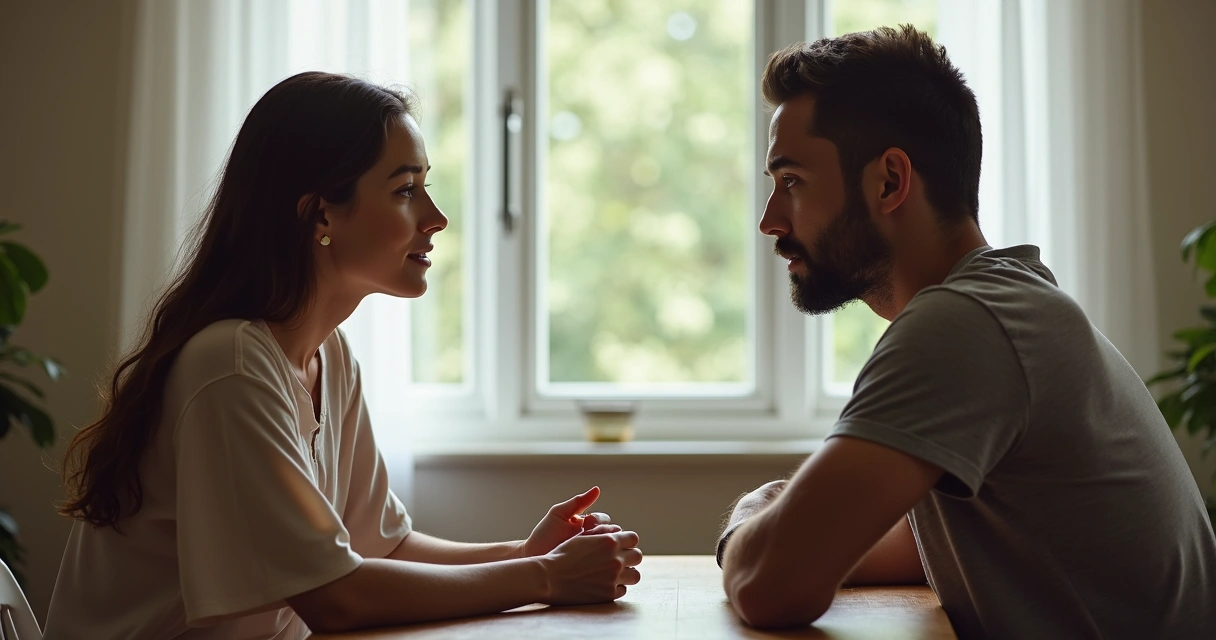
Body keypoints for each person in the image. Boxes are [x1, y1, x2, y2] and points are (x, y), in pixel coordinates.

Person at [45, 72, 642, 639]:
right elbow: (335, 597)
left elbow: (382, 545)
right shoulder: (229, 366)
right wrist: (544, 578)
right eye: (406, 190)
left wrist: (527, 553)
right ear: (320, 213)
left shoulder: (326, 355)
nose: (436, 218)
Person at [716, 26, 1216, 639]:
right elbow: (900, 546)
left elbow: (768, 585)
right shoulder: (1007, 302)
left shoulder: (965, 323)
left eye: (791, 181)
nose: (769, 221)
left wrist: (746, 522)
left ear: (890, 182)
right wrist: (787, 526)